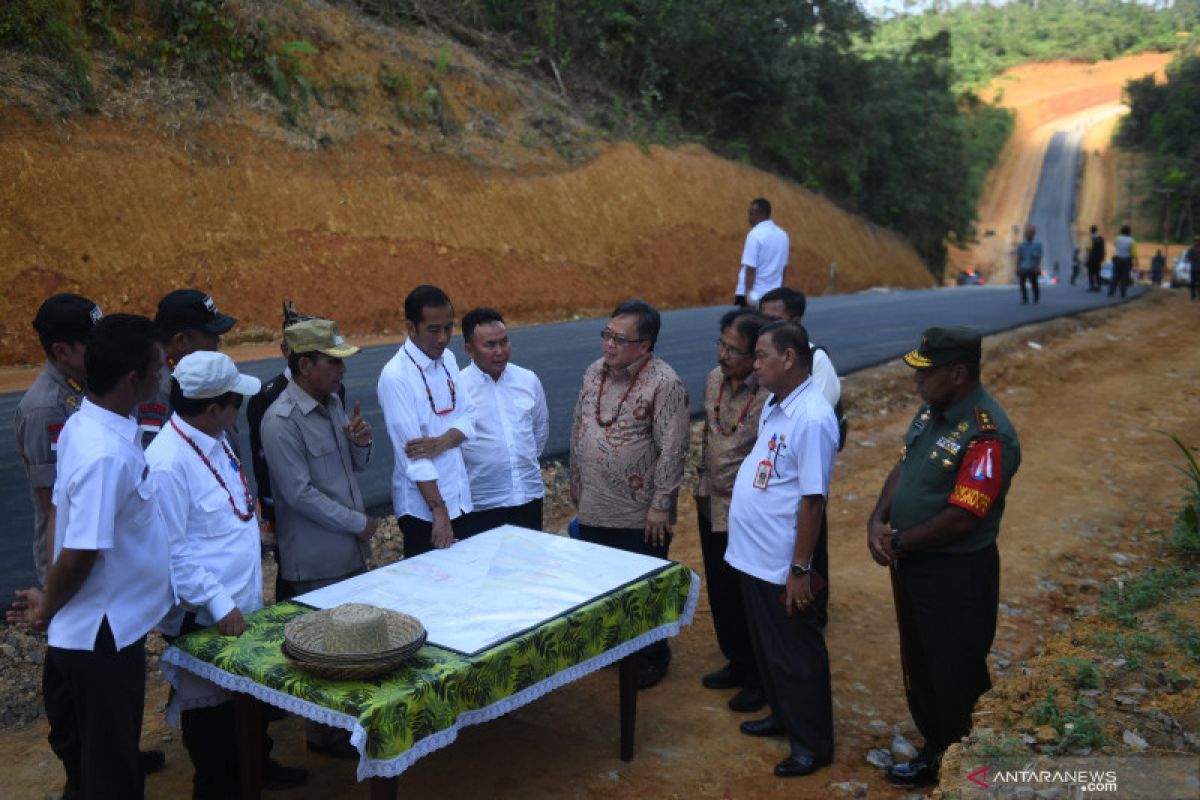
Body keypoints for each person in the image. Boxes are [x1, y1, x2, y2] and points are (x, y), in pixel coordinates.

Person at [7, 314, 172, 799]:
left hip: (91, 627)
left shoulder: (87, 423)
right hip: (102, 636)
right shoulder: (106, 453)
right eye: (158, 367)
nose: (164, 375)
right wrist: (47, 606)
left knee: (91, 755)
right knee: (113, 772)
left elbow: (59, 508)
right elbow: (79, 554)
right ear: (133, 379)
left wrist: (48, 599)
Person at [146, 351, 307, 797]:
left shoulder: (213, 436)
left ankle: (256, 768)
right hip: (205, 615)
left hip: (241, 604)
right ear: (215, 407)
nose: (241, 410)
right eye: (236, 402)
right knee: (212, 721)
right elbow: (172, 551)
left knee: (246, 702)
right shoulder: (168, 462)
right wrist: (218, 603)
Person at [866, 326, 1021, 789]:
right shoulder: (933, 411)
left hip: (956, 573)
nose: (916, 380)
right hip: (915, 562)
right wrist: (879, 519)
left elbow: (964, 515)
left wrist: (901, 541)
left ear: (957, 373)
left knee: (955, 671)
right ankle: (936, 750)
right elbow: (905, 465)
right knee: (923, 663)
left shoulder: (986, 432)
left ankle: (967, 771)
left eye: (925, 372)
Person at [725, 320, 839, 778]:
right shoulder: (778, 402)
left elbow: (813, 500)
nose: (754, 365)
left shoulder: (811, 417)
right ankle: (782, 715)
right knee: (770, 650)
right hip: (754, 555)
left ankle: (812, 743)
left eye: (761, 356)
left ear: (788, 358)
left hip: (780, 562)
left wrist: (798, 570)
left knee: (796, 653)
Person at [260, 318, 376, 758]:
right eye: (333, 362)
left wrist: (361, 442)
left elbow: (355, 467)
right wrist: (357, 522)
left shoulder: (331, 403)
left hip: (347, 550)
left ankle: (341, 728)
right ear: (305, 364)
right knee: (327, 648)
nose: (341, 371)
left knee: (350, 642)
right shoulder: (281, 420)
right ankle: (322, 734)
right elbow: (299, 495)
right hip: (316, 556)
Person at [569, 299, 689, 690]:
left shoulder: (664, 382)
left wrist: (660, 506)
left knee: (642, 589)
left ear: (645, 345)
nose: (609, 345)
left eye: (620, 339)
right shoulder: (592, 373)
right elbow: (578, 427)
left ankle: (652, 657)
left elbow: (673, 448)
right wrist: (575, 480)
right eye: (607, 335)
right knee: (602, 584)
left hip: (639, 512)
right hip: (593, 503)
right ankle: (615, 649)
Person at [695, 310, 770, 713]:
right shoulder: (713, 380)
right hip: (711, 504)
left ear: (756, 355)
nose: (724, 355)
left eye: (733, 349)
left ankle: (761, 676)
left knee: (750, 598)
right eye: (721, 345)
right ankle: (737, 662)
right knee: (722, 593)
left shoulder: (768, 395)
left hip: (748, 514)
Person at [247, 301, 345, 601]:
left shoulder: (334, 389)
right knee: (294, 579)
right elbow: (262, 460)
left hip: (331, 502)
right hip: (288, 506)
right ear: (285, 350)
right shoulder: (268, 397)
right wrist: (269, 514)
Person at [758, 286, 842, 628]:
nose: (764, 324)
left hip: (800, 478)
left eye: (773, 319)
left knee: (808, 546)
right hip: (773, 478)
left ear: (795, 321)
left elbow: (808, 427)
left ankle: (812, 609)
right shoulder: (764, 360)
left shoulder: (816, 363)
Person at [378, 285, 477, 557]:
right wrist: (439, 511)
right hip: (425, 512)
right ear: (411, 328)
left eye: (449, 328)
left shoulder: (448, 359)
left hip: (460, 500)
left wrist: (442, 442)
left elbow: (469, 417)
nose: (444, 338)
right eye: (434, 330)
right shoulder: (396, 376)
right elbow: (415, 457)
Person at [15, 294, 102, 586]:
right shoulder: (45, 409)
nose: (104, 349)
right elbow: (53, 504)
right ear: (62, 351)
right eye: (93, 343)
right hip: (70, 557)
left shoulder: (88, 382)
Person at [456, 307, 549, 535]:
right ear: (469, 349)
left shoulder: (527, 380)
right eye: (490, 345)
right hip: (481, 505)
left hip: (528, 499)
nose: (500, 351)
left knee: (529, 567)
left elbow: (539, 431)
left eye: (504, 342)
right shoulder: (458, 389)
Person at [139, 289, 237, 448]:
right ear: (181, 341)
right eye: (210, 335)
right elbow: (151, 457)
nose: (217, 341)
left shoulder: (189, 377)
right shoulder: (157, 390)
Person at [734, 198, 789, 307]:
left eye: (751, 214)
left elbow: (750, 269)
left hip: (755, 296)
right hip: (774, 295)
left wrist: (748, 295)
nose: (749, 218)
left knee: (746, 323)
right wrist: (780, 292)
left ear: (759, 214)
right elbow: (784, 268)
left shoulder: (755, 235)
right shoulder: (783, 235)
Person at [1015, 224, 1042, 305]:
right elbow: (1019, 257)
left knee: (1034, 282)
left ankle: (1036, 297)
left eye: (1030, 232)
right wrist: (1018, 267)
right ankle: (1024, 298)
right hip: (1024, 267)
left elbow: (1039, 257)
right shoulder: (1022, 245)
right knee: (1022, 282)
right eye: (1027, 232)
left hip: (1033, 267)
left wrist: (1037, 267)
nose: (1028, 234)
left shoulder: (1037, 245)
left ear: (1033, 234)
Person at [1109, 225, 1136, 298]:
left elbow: (1115, 245)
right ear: (1129, 232)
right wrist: (1136, 261)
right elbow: (1134, 253)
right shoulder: (1131, 241)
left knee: (1115, 276)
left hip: (1117, 259)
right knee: (1124, 277)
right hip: (1127, 260)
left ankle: (1111, 292)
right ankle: (1123, 293)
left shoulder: (1117, 238)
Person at [1086, 225, 1105, 292]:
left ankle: (1092, 286)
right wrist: (1102, 257)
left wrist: (1086, 259)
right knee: (1097, 273)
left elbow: (1089, 250)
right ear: (1096, 230)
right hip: (1098, 259)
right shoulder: (1101, 238)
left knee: (1090, 273)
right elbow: (1103, 249)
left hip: (1092, 259)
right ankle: (1098, 286)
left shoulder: (1091, 239)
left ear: (1091, 231)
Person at [1189, 236, 1200, 301]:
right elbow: (1188, 257)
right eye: (1196, 241)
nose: (1197, 242)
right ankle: (1193, 296)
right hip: (1193, 268)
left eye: (1198, 241)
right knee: (1192, 283)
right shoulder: (1191, 249)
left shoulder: (1191, 249)